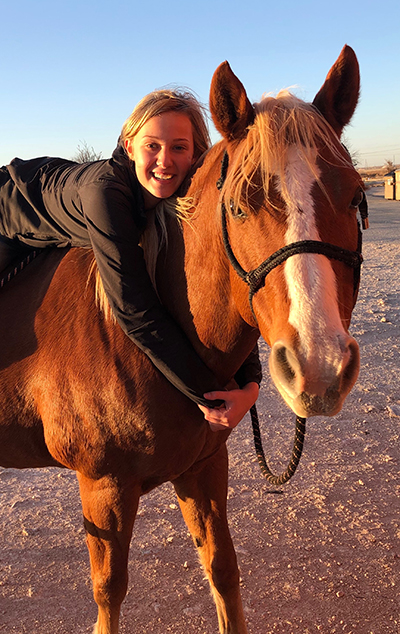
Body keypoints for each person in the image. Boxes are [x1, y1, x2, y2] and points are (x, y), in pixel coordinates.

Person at [0, 88, 261, 431]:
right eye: (152, 145)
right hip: (6, 209)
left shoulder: (178, 192)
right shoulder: (105, 193)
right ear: (129, 147)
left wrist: (250, 384)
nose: (165, 160)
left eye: (179, 147)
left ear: (195, 154)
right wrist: (208, 396)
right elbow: (131, 305)